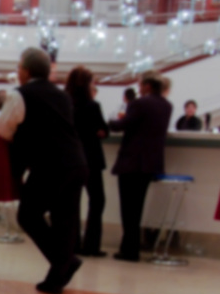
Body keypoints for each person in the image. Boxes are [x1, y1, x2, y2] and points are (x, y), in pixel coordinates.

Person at [0, 48, 88, 294]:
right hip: (76, 162)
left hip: (50, 165)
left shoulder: (20, 94)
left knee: (28, 215)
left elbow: (4, 129)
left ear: (25, 71)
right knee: (65, 221)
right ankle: (57, 277)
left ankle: (65, 262)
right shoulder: (62, 95)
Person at [109, 71, 173, 262]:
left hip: (132, 161)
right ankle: (131, 248)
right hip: (151, 162)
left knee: (128, 208)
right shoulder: (167, 106)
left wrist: (109, 123)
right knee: (137, 206)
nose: (138, 88)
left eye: (140, 84)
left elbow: (123, 125)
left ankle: (129, 249)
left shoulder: (139, 103)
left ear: (147, 85)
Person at [65, 67, 109, 258]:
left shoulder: (66, 104)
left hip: (72, 157)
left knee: (72, 202)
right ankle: (91, 245)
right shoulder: (93, 106)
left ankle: (73, 243)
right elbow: (103, 130)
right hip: (91, 158)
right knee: (97, 200)